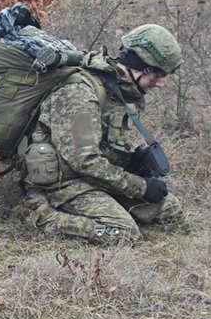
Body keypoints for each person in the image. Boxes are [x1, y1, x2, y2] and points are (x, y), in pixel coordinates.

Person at [21, 23, 183, 244]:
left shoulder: (117, 89)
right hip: (66, 182)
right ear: (139, 67)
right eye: (158, 74)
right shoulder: (80, 93)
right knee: (124, 233)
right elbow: (84, 161)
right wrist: (140, 187)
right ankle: (40, 214)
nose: (162, 83)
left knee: (171, 210)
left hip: (95, 177)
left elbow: (102, 146)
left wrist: (131, 160)